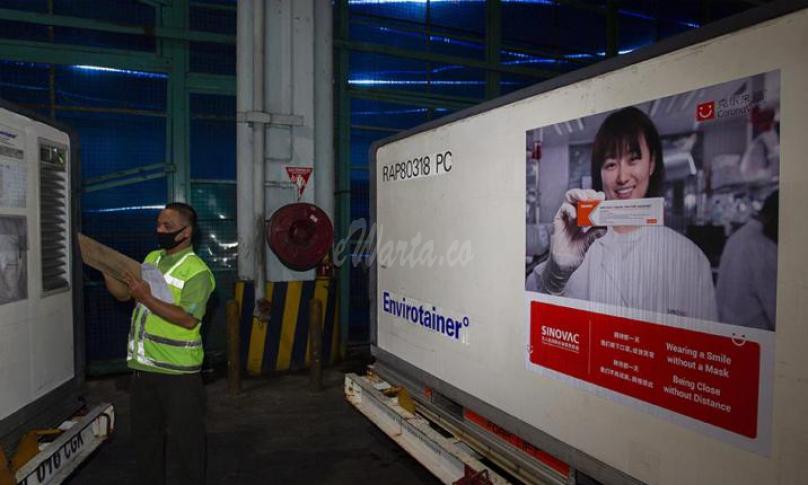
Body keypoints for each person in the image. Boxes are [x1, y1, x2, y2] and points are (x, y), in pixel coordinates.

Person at [526, 107, 718, 321]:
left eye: (633, 159)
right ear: (599, 172)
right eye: (610, 164)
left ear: (652, 163)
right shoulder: (578, 246)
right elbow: (534, 321)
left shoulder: (689, 258)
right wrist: (555, 276)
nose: (622, 176)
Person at [103, 202, 215, 485]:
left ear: (186, 232)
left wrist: (147, 297)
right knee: (146, 443)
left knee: (187, 446)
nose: (159, 230)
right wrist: (105, 266)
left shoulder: (197, 272)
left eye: (167, 226)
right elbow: (123, 295)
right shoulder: (152, 258)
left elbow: (189, 319)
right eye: (158, 224)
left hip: (178, 375)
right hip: (144, 370)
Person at [716, 190, 778, 330]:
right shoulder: (763, 247)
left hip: (726, 332)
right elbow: (778, 312)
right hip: (753, 339)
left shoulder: (737, 237)